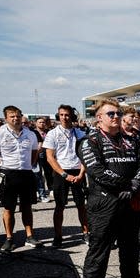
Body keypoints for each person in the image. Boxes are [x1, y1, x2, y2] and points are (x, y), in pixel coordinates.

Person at [77, 100, 140, 278]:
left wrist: (135, 184)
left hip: (129, 200)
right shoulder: (89, 141)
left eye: (118, 113)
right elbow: (98, 171)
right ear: (98, 118)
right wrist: (127, 183)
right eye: (110, 113)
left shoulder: (131, 140)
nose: (115, 117)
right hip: (103, 204)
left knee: (130, 246)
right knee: (99, 249)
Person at [0, 105, 42, 252]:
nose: (15, 118)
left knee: (27, 206)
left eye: (18, 115)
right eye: (12, 116)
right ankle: (9, 238)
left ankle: (30, 236)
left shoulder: (30, 134)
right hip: (8, 174)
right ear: (6, 118)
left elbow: (34, 152)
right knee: (8, 208)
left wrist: (29, 165)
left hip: (26, 174)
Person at [44, 104, 89, 248]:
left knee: (81, 206)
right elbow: (50, 158)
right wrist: (64, 174)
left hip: (78, 172)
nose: (64, 117)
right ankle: (58, 236)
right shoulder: (52, 133)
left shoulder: (80, 133)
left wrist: (82, 173)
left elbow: (86, 156)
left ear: (72, 116)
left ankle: (86, 233)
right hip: (61, 173)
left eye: (67, 115)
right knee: (60, 206)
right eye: (61, 115)